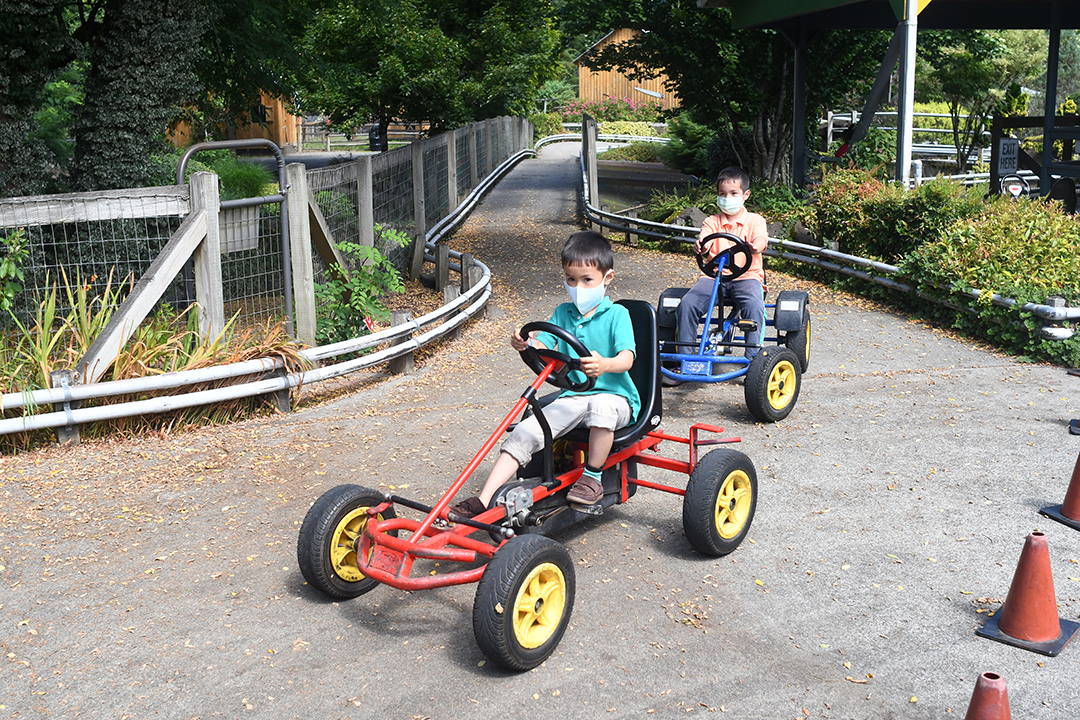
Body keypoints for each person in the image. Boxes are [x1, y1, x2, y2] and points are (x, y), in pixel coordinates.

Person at [452, 230, 639, 517]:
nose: (579, 287)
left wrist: (605, 365)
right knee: (526, 430)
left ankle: (593, 478)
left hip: (616, 397)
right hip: (576, 395)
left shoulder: (618, 315)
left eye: (587, 280)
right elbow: (545, 343)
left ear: (607, 278)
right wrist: (527, 344)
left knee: (601, 406)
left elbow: (627, 358)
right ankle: (484, 498)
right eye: (571, 280)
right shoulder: (563, 313)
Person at [666, 166, 768, 387]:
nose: (727, 198)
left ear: (745, 195)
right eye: (722, 194)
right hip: (713, 278)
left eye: (733, 193)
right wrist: (702, 246)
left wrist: (755, 246)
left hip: (746, 277)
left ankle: (753, 362)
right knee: (688, 304)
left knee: (754, 306)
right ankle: (686, 359)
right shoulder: (712, 221)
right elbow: (706, 240)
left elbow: (761, 240)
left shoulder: (755, 221)